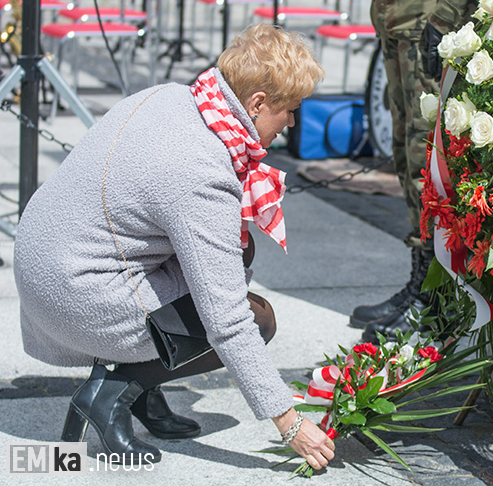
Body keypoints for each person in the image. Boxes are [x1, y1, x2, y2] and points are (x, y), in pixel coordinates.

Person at [13, 24, 335, 468]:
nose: (292, 123)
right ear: (258, 103)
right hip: (72, 292)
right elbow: (227, 321)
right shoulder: (201, 168)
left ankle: (142, 385)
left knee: (236, 253)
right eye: (290, 111)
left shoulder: (174, 96)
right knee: (257, 319)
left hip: (48, 264)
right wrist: (290, 422)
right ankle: (112, 393)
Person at [354, 0, 491, 342]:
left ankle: (439, 292)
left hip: (432, 22)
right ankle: (420, 281)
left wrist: (446, 18)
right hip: (398, 17)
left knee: (428, 155)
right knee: (405, 150)